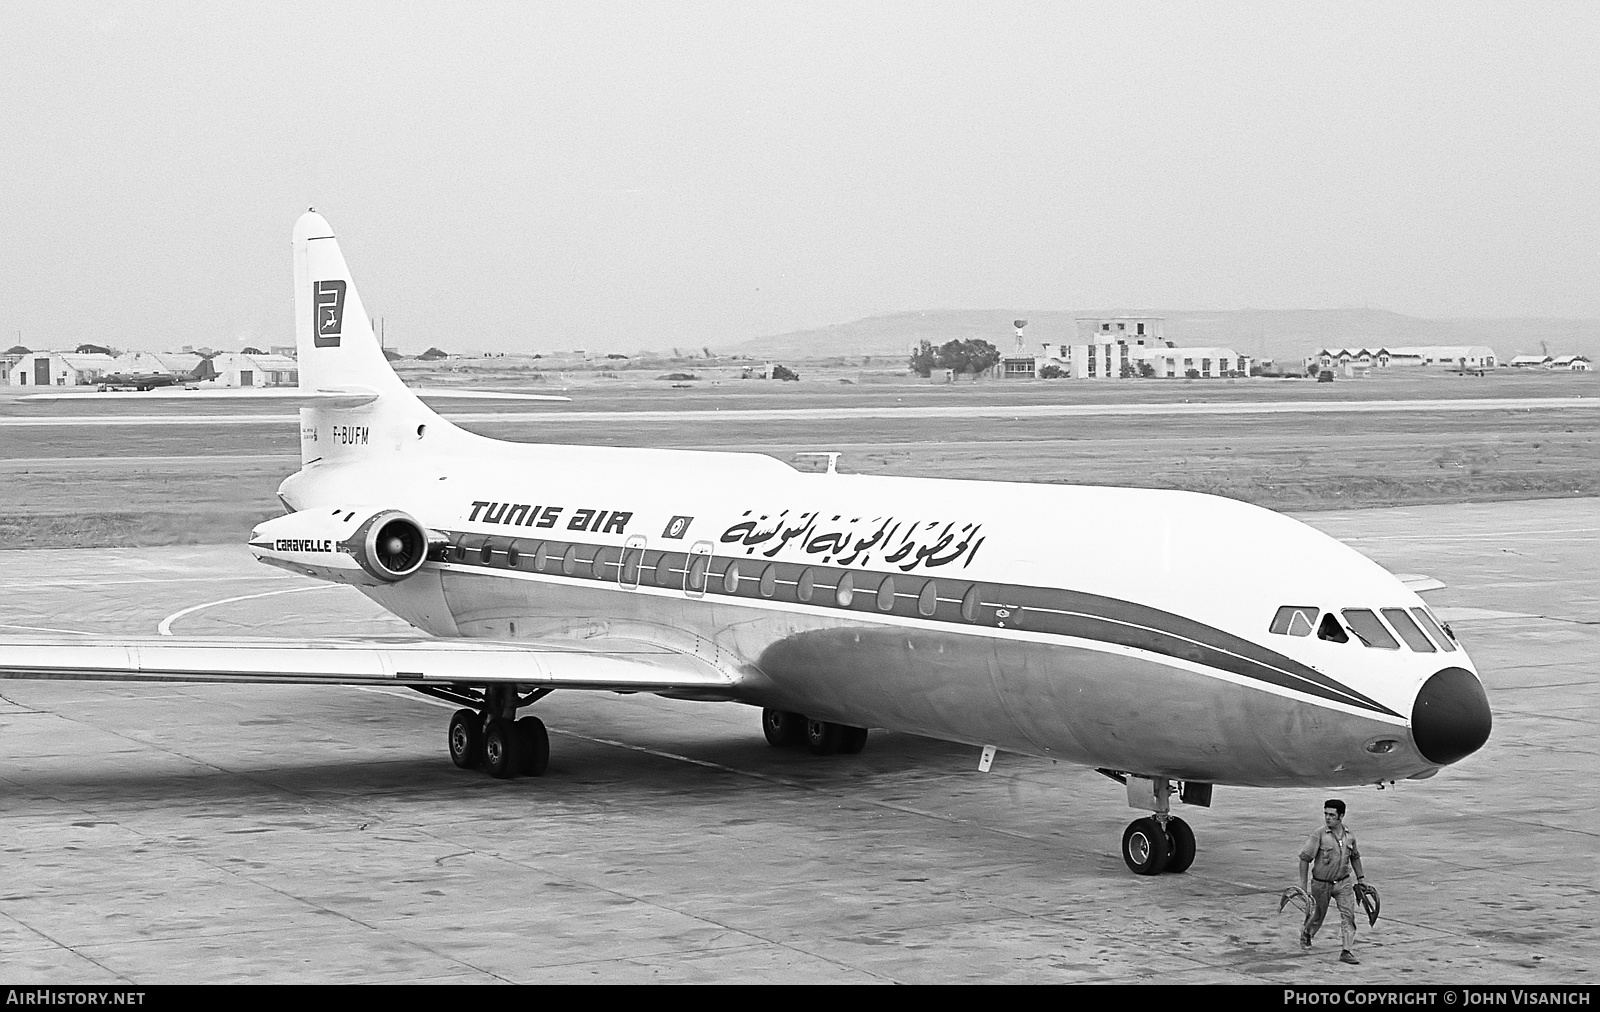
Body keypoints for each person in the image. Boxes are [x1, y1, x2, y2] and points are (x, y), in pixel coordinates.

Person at [1297, 798, 1368, 964]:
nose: (1327, 818)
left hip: (1343, 883)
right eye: (1325, 814)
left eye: (1331, 815)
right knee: (1318, 915)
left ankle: (1346, 950)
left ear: (1341, 816)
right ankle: (1308, 932)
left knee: (1348, 916)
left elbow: (1355, 857)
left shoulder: (1349, 836)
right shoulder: (1319, 835)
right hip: (1321, 884)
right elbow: (1304, 859)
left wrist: (1361, 878)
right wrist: (1302, 884)